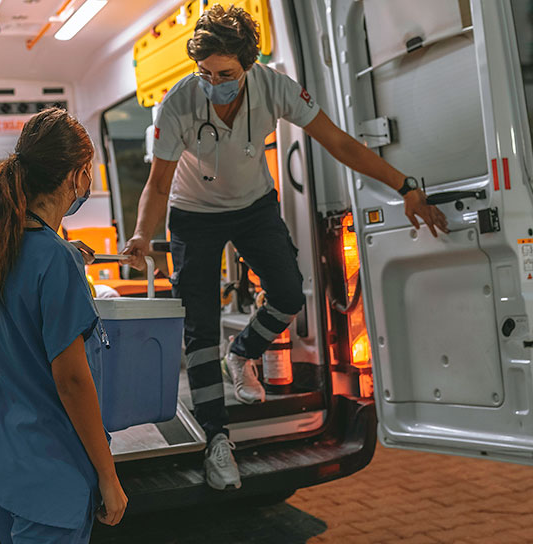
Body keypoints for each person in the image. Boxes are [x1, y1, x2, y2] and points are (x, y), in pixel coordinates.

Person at [123, 5, 449, 491]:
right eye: (205, 73)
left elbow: (339, 143)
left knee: (289, 294)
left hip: (252, 205)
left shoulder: (275, 87)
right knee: (200, 329)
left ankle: (243, 353)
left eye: (226, 74)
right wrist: (140, 235)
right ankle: (217, 441)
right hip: (193, 214)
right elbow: (158, 183)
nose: (214, 83)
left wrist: (405, 186)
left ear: (249, 64)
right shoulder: (179, 103)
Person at [0, 108, 127, 542]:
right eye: (88, 172)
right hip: (51, 473)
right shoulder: (55, 260)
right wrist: (108, 477)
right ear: (76, 175)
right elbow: (71, 381)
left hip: (0, 460)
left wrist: (67, 258)